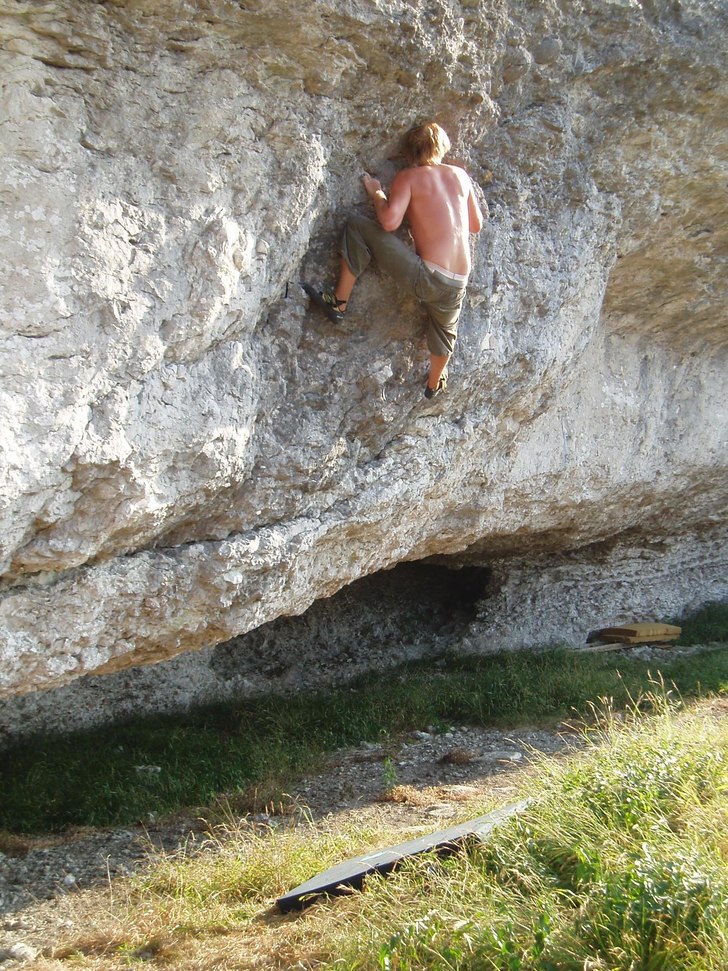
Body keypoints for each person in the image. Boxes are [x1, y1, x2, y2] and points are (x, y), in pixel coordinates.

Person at [304, 122, 485, 398]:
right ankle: (433, 383)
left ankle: (338, 302)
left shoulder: (410, 178)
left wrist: (377, 193)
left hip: (426, 276)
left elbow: (389, 222)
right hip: (458, 281)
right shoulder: (460, 175)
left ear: (409, 152)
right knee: (445, 328)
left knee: (356, 226)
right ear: (442, 147)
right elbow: (476, 224)